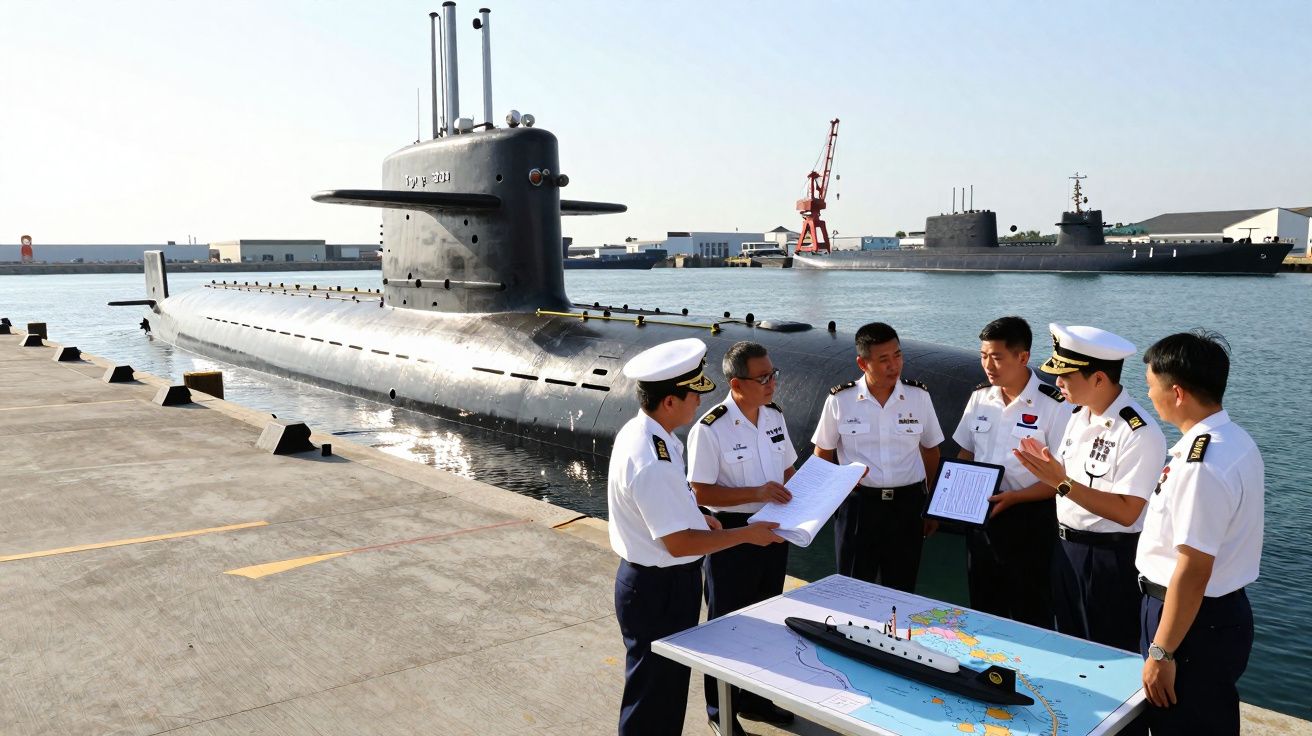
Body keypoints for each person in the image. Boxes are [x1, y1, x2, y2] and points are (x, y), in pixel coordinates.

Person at [608, 337, 785, 736]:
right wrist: (746, 535)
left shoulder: (649, 436)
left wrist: (699, 513)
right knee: (654, 697)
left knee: (664, 692)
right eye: (693, 394)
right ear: (669, 401)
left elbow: (667, 510)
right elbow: (680, 544)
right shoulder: (653, 459)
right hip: (659, 588)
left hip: (659, 583)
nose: (700, 402)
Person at [1136, 331, 1262, 735]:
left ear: (1176, 392)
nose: (1150, 397)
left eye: (1151, 387)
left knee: (1185, 725)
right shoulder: (1235, 441)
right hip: (1212, 616)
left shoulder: (1200, 464)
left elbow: (1193, 567)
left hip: (1190, 625)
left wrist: (1162, 651)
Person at [1013, 323, 1167, 653]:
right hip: (1067, 549)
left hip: (1109, 558)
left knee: (1110, 649)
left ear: (1098, 378)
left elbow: (1127, 512)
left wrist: (1062, 483)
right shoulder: (1078, 416)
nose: (1057, 383)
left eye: (1066, 376)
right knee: (1071, 643)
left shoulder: (1138, 432)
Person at [687, 341, 798, 732]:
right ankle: (721, 713)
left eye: (773, 375)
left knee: (765, 619)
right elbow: (699, 491)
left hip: (772, 529)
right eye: (763, 377)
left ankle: (756, 699)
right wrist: (757, 493)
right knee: (725, 624)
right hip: (731, 536)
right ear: (737, 383)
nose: (772, 383)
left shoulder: (773, 417)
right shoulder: (711, 428)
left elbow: (788, 474)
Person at [952, 316, 1069, 628]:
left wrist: (1016, 498)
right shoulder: (979, 398)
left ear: (1023, 357)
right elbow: (966, 452)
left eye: (997, 357)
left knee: (1031, 609)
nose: (989, 365)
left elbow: (1063, 478)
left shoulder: (1055, 406)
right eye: (983, 356)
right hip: (982, 517)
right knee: (983, 606)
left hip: (1030, 520)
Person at [812, 322, 943, 592]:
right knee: (853, 586)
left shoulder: (918, 397)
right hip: (859, 506)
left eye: (898, 355)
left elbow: (930, 449)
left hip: (908, 506)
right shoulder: (841, 400)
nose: (894, 365)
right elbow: (822, 451)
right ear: (863, 363)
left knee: (902, 588)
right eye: (884, 359)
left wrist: (931, 501)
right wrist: (834, 493)